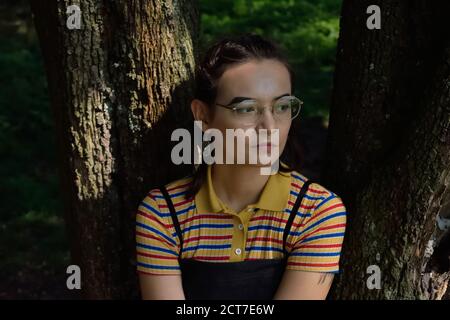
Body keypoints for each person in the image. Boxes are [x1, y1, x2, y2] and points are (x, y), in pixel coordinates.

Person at [136, 33, 347, 300]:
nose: (270, 127)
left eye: (282, 106)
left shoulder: (316, 212)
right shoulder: (163, 214)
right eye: (247, 109)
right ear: (203, 115)